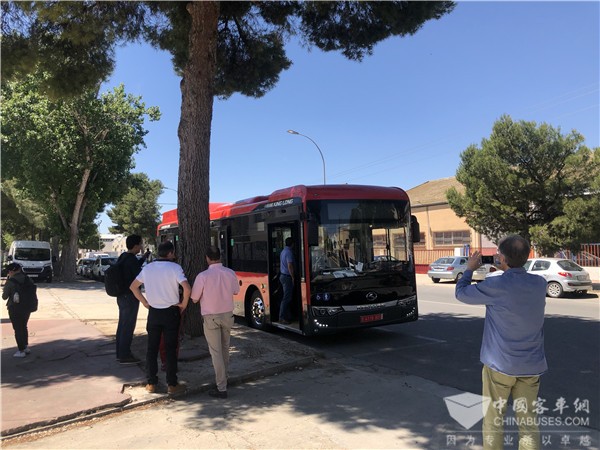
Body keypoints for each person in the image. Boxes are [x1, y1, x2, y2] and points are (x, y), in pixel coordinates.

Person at [455, 235, 547, 450]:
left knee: (494, 419)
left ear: (503, 258)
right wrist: (503, 274)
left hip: (500, 366)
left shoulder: (495, 284)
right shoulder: (540, 283)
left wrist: (469, 269)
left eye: (498, 253)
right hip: (531, 366)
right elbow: (516, 289)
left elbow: (461, 293)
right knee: (528, 422)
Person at [130, 241, 190, 395]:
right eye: (173, 252)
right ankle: (172, 384)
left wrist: (144, 303)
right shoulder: (175, 268)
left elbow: (133, 287)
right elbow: (187, 288)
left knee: (152, 348)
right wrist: (183, 304)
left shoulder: (148, 268)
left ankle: (151, 383)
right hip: (171, 312)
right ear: (170, 253)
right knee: (170, 348)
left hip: (154, 312)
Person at [191, 246, 239, 399]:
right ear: (220, 257)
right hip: (227, 315)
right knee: (225, 349)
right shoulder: (230, 273)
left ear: (207, 258)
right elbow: (236, 291)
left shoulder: (202, 276)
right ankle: (224, 378)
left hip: (211, 316)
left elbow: (194, 298)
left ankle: (221, 386)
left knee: (216, 352)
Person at [115, 234, 150, 365]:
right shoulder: (131, 260)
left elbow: (132, 268)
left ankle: (120, 352)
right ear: (136, 245)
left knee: (122, 324)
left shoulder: (124, 257)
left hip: (121, 296)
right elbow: (139, 275)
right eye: (140, 244)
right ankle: (125, 355)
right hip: (130, 296)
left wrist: (143, 258)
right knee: (128, 326)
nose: (141, 246)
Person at [2, 263, 33, 358]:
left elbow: (4, 297)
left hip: (14, 307)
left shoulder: (11, 282)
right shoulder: (28, 279)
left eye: (9, 271)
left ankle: (21, 350)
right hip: (27, 307)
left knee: (17, 329)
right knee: (24, 326)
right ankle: (26, 346)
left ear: (11, 271)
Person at [278, 237, 295, 324]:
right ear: (292, 244)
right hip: (287, 277)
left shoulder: (283, 251)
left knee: (287, 297)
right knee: (286, 298)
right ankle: (282, 317)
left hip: (283, 276)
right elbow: (290, 265)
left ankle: (288, 316)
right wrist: (293, 277)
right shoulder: (289, 252)